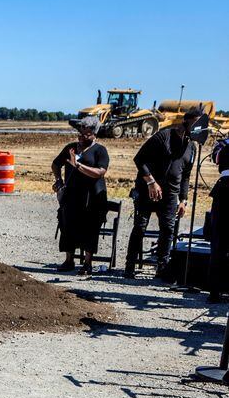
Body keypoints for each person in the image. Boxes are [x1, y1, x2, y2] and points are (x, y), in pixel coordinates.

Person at [123, 108, 202, 280]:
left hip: (171, 194)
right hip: (147, 190)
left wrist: (183, 199)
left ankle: (162, 267)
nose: (199, 127)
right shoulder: (163, 136)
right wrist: (151, 182)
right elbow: (139, 159)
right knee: (140, 227)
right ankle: (130, 265)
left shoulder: (192, 147)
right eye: (196, 123)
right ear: (186, 121)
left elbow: (186, 175)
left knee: (168, 229)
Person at [52, 116, 109, 275]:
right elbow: (56, 164)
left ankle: (87, 263)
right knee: (67, 226)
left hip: (93, 197)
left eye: (87, 134)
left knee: (90, 229)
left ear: (94, 135)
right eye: (81, 133)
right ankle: (69, 260)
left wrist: (77, 165)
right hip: (72, 195)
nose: (83, 137)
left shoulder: (100, 151)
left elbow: (100, 172)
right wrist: (59, 181)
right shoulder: (71, 148)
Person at [208, 138, 229, 303]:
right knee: (218, 243)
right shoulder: (223, 143)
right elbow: (217, 156)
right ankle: (215, 291)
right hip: (225, 190)